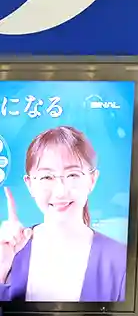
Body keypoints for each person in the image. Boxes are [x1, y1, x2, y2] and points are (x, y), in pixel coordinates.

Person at [0, 126, 126, 302]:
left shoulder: (120, 260)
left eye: (73, 175)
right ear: (29, 184)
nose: (60, 192)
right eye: (47, 177)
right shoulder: (9, 251)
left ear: (92, 179)